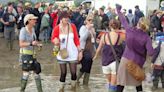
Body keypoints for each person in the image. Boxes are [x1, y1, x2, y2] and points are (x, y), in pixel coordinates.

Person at [115, 4, 156, 92]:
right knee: (138, 86)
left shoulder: (129, 30)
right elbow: (151, 53)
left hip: (125, 60)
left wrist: (118, 10)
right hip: (137, 63)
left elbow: (123, 20)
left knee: (120, 84)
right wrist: (158, 47)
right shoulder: (146, 38)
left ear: (137, 23)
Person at [51, 11, 81, 91]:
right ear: (61, 19)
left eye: (68, 17)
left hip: (73, 53)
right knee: (63, 73)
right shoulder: (57, 28)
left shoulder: (72, 26)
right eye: (65, 18)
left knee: (74, 72)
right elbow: (53, 38)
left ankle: (73, 88)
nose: (67, 19)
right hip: (62, 53)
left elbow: (76, 39)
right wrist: (55, 41)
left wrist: (80, 51)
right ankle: (61, 89)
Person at [93, 19, 125, 92]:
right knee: (113, 84)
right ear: (119, 26)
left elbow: (99, 48)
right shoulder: (120, 36)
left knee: (110, 82)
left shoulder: (104, 36)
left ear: (110, 26)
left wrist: (95, 56)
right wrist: (121, 31)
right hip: (115, 62)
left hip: (105, 62)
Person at [19, 14, 43, 92]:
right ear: (28, 21)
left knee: (37, 74)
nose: (35, 21)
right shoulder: (23, 30)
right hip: (25, 55)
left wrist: (38, 44)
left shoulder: (32, 29)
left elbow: (34, 41)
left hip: (33, 55)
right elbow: (21, 44)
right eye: (33, 19)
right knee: (26, 75)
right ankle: (22, 90)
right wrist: (31, 43)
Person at [76, 14, 96, 86]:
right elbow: (82, 38)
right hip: (84, 49)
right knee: (85, 66)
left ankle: (85, 83)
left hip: (91, 50)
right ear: (86, 21)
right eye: (89, 20)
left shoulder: (93, 29)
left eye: (92, 20)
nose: (90, 21)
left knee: (89, 67)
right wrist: (88, 29)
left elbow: (93, 40)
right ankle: (76, 79)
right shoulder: (83, 28)